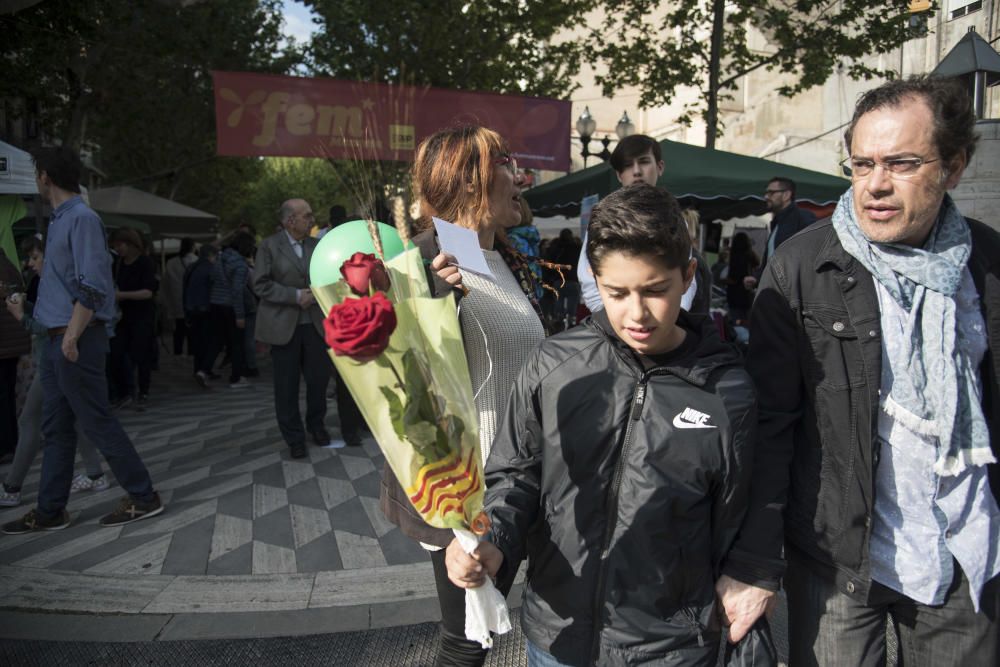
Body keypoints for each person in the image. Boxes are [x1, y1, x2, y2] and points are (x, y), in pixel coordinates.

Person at [721, 75, 1000, 664]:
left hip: (962, 555)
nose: (876, 184)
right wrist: (755, 562)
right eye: (862, 164)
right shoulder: (801, 267)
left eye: (902, 163)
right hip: (836, 556)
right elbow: (769, 425)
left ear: (953, 167)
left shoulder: (988, 265)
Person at [445, 184, 760, 666]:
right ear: (594, 279)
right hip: (558, 634)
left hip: (670, 648)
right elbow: (514, 474)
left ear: (688, 276)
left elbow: (741, 516)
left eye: (655, 290)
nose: (637, 313)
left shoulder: (728, 391)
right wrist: (492, 538)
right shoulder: (553, 364)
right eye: (617, 293)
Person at [379, 125, 546, 667]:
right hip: (467, 497)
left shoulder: (501, 258)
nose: (520, 177)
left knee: (494, 632)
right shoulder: (424, 264)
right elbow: (404, 400)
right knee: (466, 643)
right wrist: (450, 522)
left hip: (520, 483)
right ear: (471, 181)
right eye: (507, 163)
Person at [2, 146, 162, 534]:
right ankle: (50, 510)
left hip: (76, 339)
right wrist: (29, 313)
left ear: (44, 176)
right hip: (58, 338)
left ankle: (143, 497)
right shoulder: (61, 220)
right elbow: (67, 287)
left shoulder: (82, 219)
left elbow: (92, 287)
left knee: (97, 421)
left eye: (37, 174)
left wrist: (72, 336)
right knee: (56, 428)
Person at [2, 236, 109, 507]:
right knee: (77, 418)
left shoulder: (59, 283)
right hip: (61, 358)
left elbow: (53, 328)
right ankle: (96, 475)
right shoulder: (56, 282)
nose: (30, 263)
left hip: (57, 359)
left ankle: (12, 487)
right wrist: (21, 307)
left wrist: (20, 316)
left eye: (35, 257)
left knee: (31, 420)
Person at [577, 135, 711, 317]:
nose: (637, 171)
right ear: (619, 175)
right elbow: (589, 282)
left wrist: (669, 322)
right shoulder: (602, 219)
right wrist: (615, 323)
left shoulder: (676, 219)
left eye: (644, 162)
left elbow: (684, 281)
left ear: (660, 167)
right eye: (628, 165)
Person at [254, 199, 337, 458]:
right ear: (290, 220)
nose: (312, 220)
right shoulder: (269, 247)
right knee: (286, 386)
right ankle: (294, 438)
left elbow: (330, 275)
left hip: (315, 325)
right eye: (307, 216)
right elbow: (260, 284)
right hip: (283, 327)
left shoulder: (317, 245)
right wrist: (294, 296)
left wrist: (316, 292)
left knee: (318, 380)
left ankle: (317, 426)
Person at [109, 228, 159, 409]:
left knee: (141, 354)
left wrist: (121, 295)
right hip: (122, 317)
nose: (118, 249)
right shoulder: (118, 264)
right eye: (115, 246)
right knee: (116, 353)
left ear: (130, 244)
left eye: (120, 245)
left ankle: (143, 391)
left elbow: (148, 292)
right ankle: (125, 391)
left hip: (142, 316)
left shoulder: (145, 263)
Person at [742, 176, 816, 292]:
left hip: (794, 295)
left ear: (786, 195)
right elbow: (772, 261)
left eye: (771, 193)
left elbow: (815, 255)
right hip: (775, 293)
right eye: (766, 193)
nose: (766, 197)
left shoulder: (803, 218)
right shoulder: (776, 224)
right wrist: (757, 278)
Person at [209, 231, 254, 388]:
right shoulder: (240, 265)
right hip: (230, 306)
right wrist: (240, 315)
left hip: (215, 303)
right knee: (237, 343)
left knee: (217, 339)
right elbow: (237, 291)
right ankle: (237, 377)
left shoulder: (221, 257)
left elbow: (213, 278)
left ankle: (204, 369)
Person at [0, 250, 31, 463]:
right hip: (12, 341)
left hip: (4, 341)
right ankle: (11, 442)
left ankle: (5, 446)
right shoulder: (7, 263)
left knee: (3, 395)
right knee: (7, 394)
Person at [183, 244, 219, 387]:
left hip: (191, 309)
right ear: (211, 255)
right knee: (210, 341)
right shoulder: (212, 269)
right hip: (207, 309)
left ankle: (198, 369)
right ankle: (204, 370)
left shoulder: (191, 267)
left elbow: (184, 289)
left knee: (198, 342)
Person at [161, 237, 196, 356]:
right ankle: (192, 351)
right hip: (192, 301)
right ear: (193, 247)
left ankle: (178, 351)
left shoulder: (171, 262)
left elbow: (165, 282)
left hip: (177, 300)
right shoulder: (196, 261)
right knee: (192, 329)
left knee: (179, 328)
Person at [724, 232, 758, 325]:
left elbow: (733, 278)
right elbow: (757, 264)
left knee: (737, 324)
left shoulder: (734, 257)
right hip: (747, 295)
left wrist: (725, 280)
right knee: (748, 323)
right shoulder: (750, 256)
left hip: (734, 296)